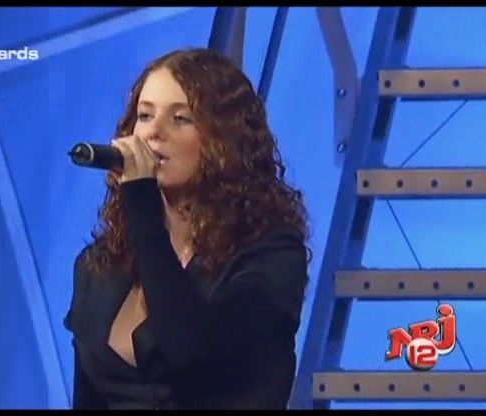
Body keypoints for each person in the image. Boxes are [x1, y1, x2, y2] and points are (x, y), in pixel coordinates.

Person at [63, 47, 311, 410]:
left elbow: (188, 353)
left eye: (180, 118)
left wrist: (142, 202)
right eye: (145, 115)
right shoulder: (99, 266)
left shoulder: (268, 257)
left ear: (224, 141)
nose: (154, 132)